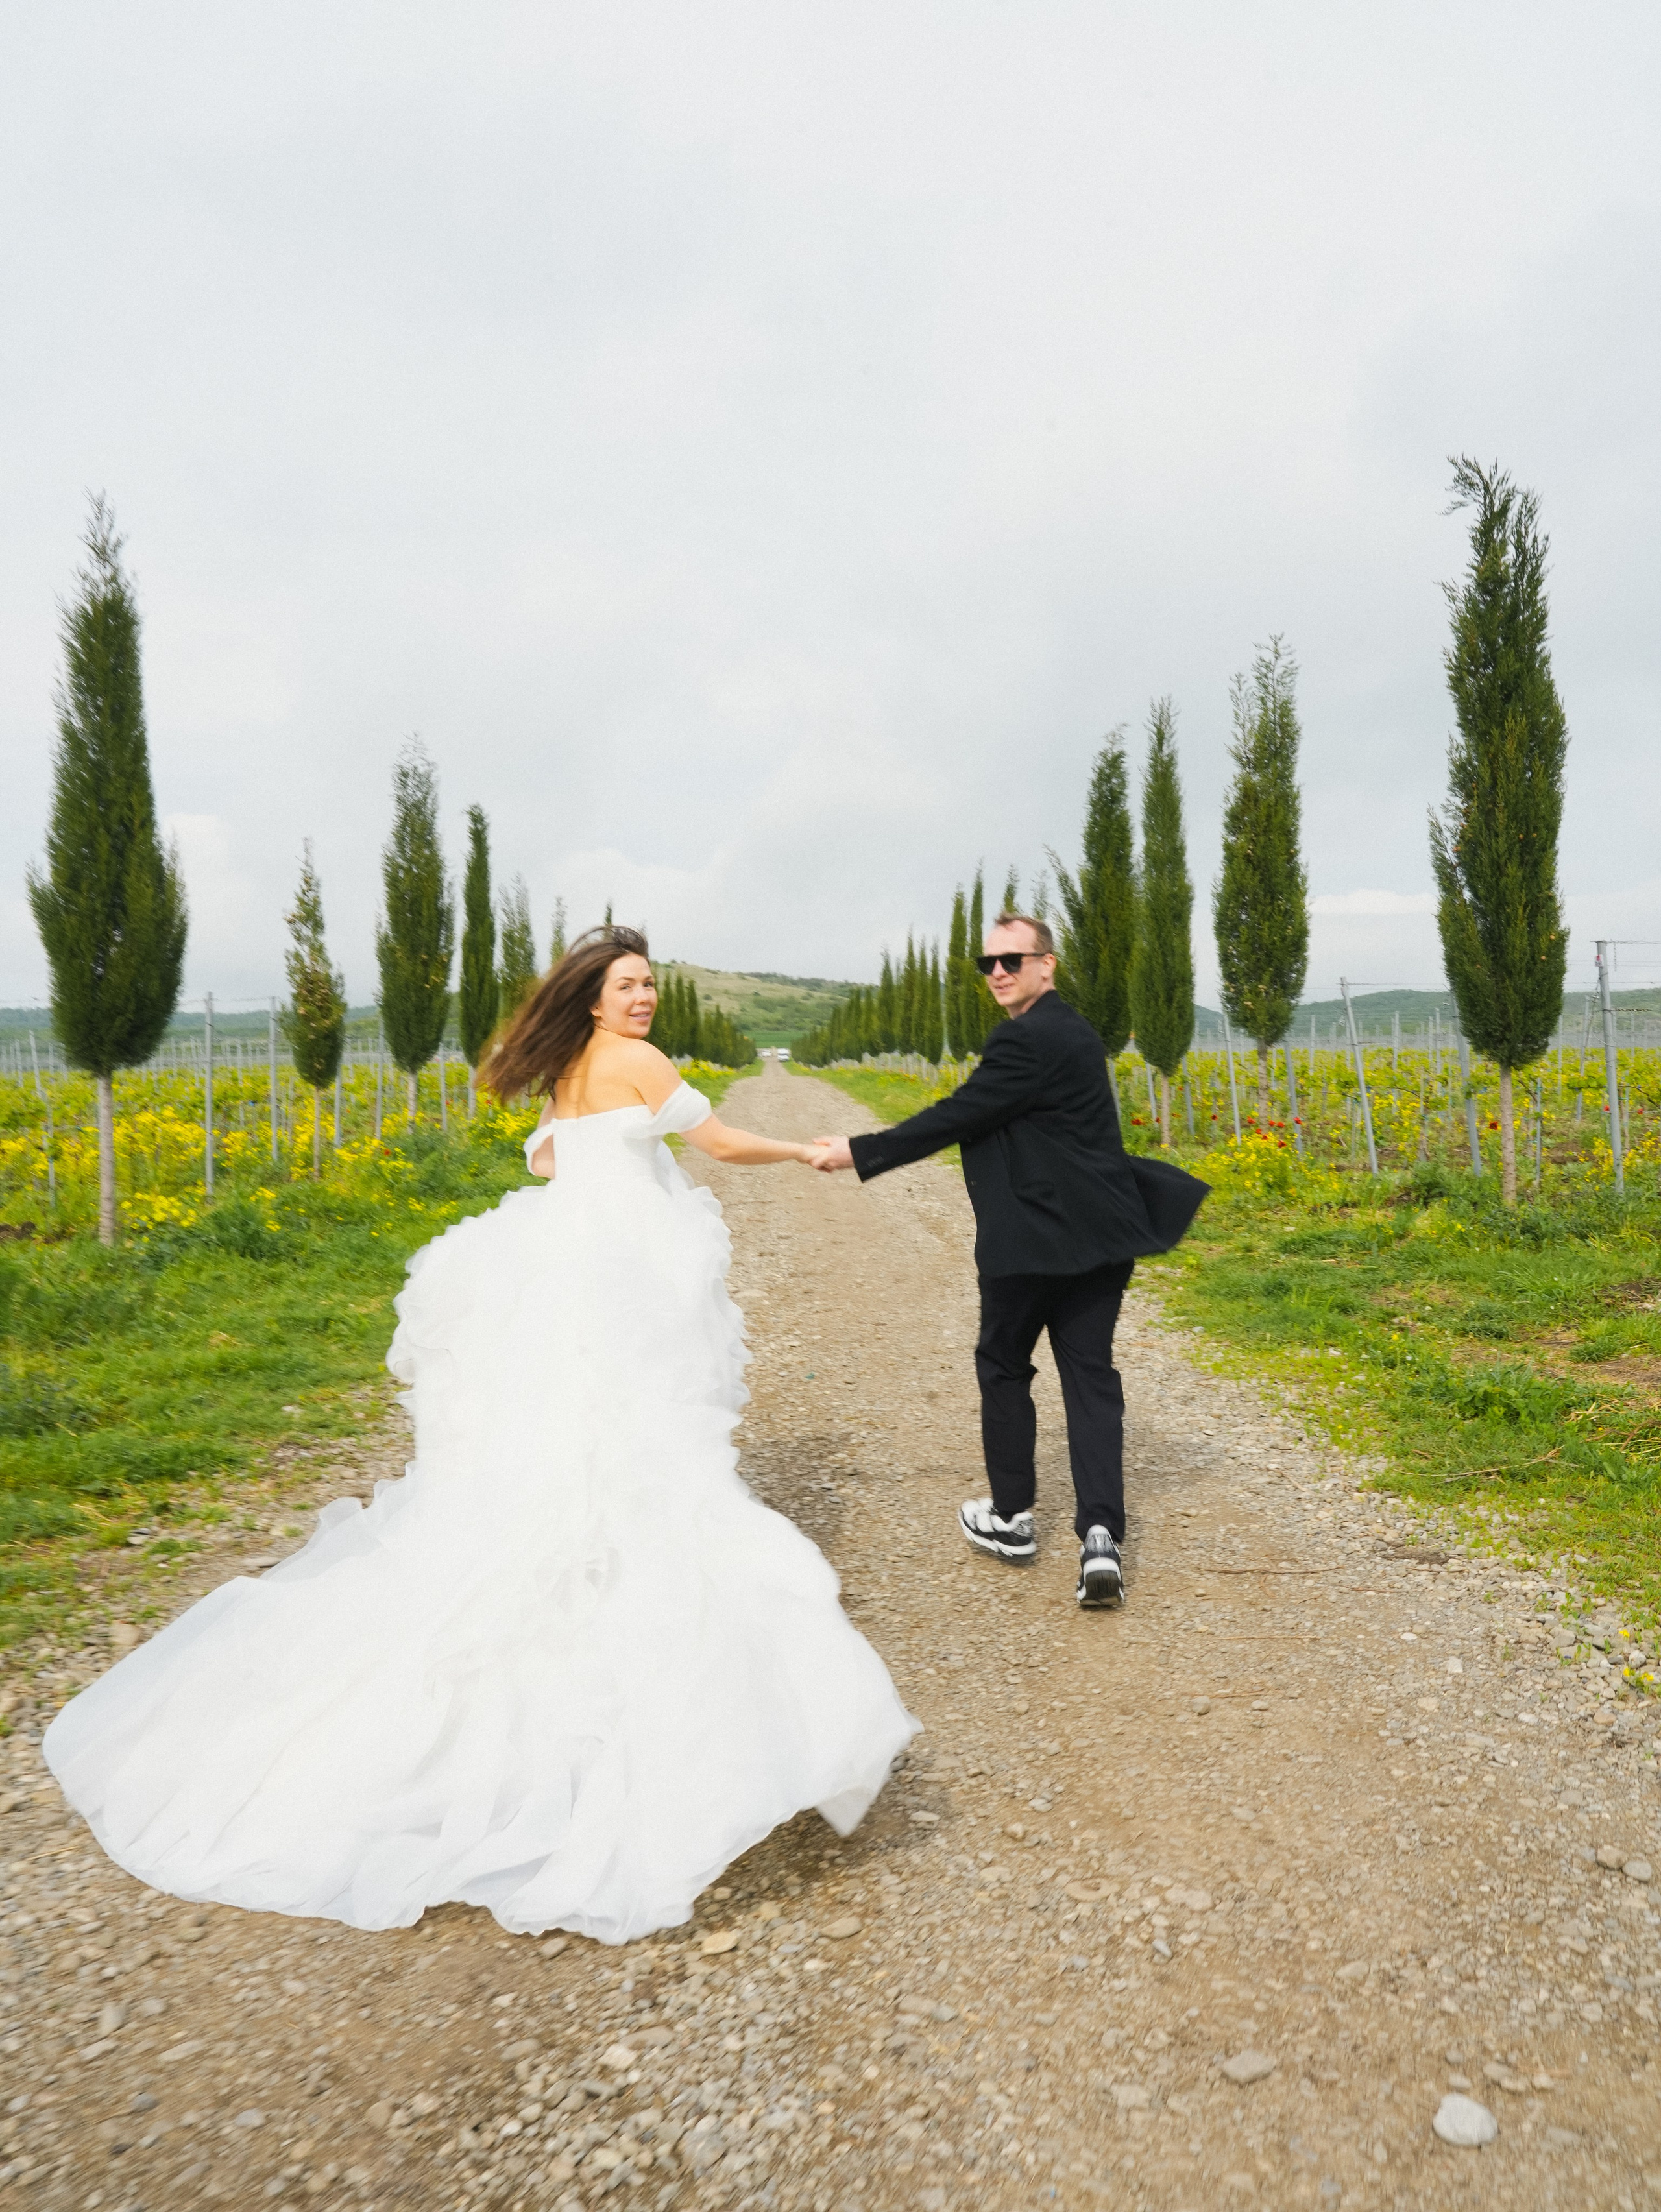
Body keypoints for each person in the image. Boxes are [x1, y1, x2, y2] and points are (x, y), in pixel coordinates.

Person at [45, 927, 917, 1944]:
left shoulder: (570, 1068)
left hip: (567, 1267)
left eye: (647, 986)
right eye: (626, 985)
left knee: (571, 1448)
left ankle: (581, 1603)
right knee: (638, 1451)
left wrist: (600, 1165)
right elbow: (715, 1144)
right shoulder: (634, 1063)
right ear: (592, 997)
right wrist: (812, 1148)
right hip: (622, 1281)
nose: (642, 1000)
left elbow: (545, 1158)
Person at [814, 911, 1206, 1608]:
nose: (997, 972)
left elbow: (959, 1113)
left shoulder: (1024, 1040)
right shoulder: (1077, 1033)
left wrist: (860, 1149)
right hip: (1103, 1236)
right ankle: (1098, 1539)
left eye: (1012, 960)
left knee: (1002, 1363)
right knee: (1089, 1377)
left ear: (1046, 964)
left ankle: (1012, 1516)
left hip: (1029, 1241)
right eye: (986, 963)